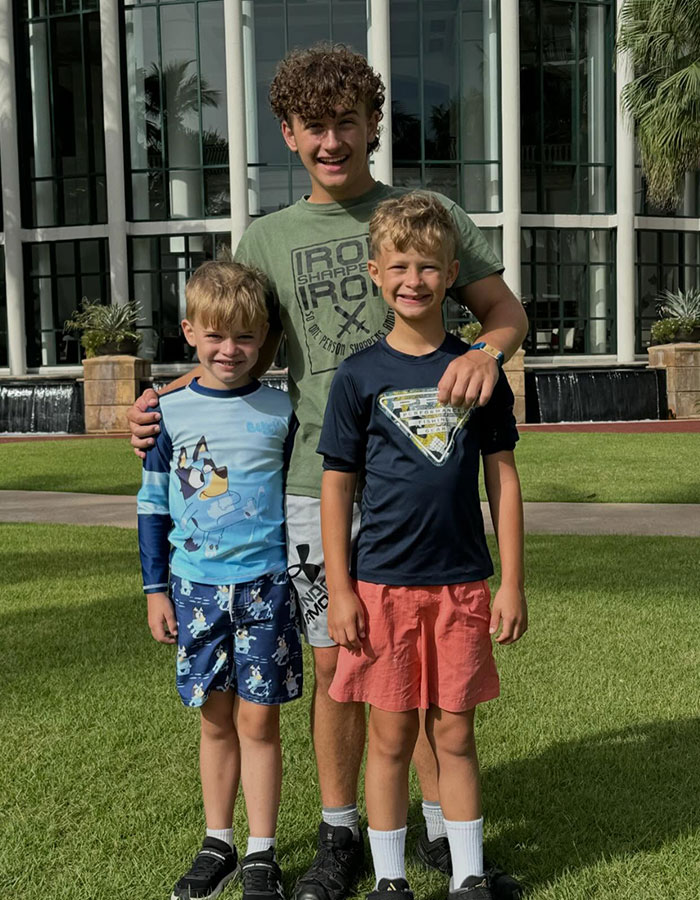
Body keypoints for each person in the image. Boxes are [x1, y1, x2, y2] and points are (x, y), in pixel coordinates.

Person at [128, 44, 529, 900]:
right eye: (315, 127)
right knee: (349, 657)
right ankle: (342, 831)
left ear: (374, 124)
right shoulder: (266, 237)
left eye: (348, 122)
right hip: (315, 478)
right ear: (289, 134)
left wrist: (487, 356)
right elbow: (229, 348)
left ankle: (433, 828)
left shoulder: (427, 213)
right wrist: (167, 410)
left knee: (420, 658)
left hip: (426, 470)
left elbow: (504, 311)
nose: (333, 141)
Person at [318, 192, 527, 900]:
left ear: (452, 273)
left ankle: (468, 875)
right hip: (381, 588)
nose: (414, 279)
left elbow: (503, 480)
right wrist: (341, 590)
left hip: (463, 583)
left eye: (429, 266)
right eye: (399, 265)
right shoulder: (357, 377)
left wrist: (511, 582)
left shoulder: (479, 374)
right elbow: (337, 488)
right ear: (376, 273)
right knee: (390, 738)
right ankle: (391, 880)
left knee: (457, 733)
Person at [137, 261, 302, 900]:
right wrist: (156, 590)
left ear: (265, 340)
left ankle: (261, 852)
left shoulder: (281, 411)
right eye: (214, 336)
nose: (229, 351)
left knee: (259, 722)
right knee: (215, 720)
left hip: (267, 587)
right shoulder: (166, 412)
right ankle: (219, 841)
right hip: (195, 590)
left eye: (244, 338)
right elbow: (152, 506)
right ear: (189, 332)